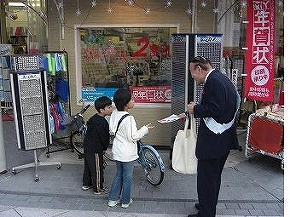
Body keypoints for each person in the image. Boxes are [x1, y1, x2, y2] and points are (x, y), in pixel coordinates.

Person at [186, 56, 240, 217]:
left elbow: (215, 108)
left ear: (199, 69)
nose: (192, 76)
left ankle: (206, 213)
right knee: (213, 177)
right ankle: (206, 204)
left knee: (207, 179)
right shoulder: (221, 78)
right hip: (222, 140)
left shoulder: (214, 82)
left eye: (192, 72)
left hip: (213, 143)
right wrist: (189, 112)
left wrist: (196, 109)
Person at [107, 88, 154, 208]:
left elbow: (112, 130)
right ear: (125, 103)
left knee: (119, 174)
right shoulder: (129, 118)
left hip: (118, 150)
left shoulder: (114, 113)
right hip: (127, 153)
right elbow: (133, 137)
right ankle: (125, 201)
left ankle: (112, 199)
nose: (134, 100)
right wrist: (145, 129)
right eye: (131, 99)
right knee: (127, 177)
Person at [82, 96, 113, 195]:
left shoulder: (93, 118)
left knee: (88, 166)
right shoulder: (103, 122)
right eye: (109, 107)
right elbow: (104, 138)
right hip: (95, 149)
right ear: (102, 110)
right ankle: (98, 188)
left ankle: (86, 184)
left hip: (87, 147)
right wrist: (104, 147)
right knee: (97, 169)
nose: (111, 109)